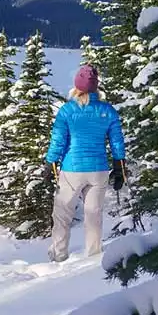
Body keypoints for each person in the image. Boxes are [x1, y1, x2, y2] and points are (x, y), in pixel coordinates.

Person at [44, 64, 126, 262]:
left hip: (72, 170)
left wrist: (50, 163)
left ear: (76, 87)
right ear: (96, 86)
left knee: (63, 214)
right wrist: (119, 168)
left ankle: (58, 255)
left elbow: (58, 140)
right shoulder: (107, 111)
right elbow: (116, 142)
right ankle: (93, 257)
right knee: (93, 215)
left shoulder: (67, 111)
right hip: (98, 170)